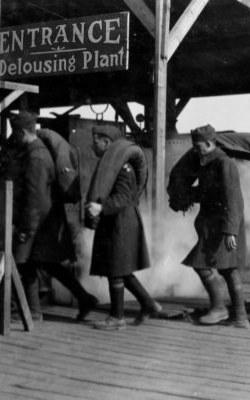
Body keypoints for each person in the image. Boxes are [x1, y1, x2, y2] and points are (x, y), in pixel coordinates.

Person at [8, 111, 98, 321]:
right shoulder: (35, 152)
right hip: (45, 219)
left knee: (25, 263)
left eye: (15, 134)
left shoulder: (35, 156)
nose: (13, 139)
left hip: (38, 220)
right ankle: (83, 298)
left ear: (22, 132)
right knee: (45, 263)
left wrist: (26, 228)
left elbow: (35, 195)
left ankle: (33, 311)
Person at [172, 124, 250, 328]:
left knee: (215, 267)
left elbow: (234, 199)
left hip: (223, 226)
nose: (195, 150)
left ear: (209, 143)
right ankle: (239, 318)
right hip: (211, 226)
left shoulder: (224, 163)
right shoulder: (208, 163)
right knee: (226, 270)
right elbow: (208, 192)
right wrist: (186, 196)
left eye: (198, 147)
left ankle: (222, 310)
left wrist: (230, 231)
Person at [85, 125, 162, 330]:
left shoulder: (123, 167)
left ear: (107, 142)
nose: (93, 144)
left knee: (116, 269)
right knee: (120, 268)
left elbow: (123, 198)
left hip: (121, 222)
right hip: (116, 221)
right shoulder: (112, 164)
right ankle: (148, 304)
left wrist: (101, 207)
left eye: (96, 140)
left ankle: (117, 317)